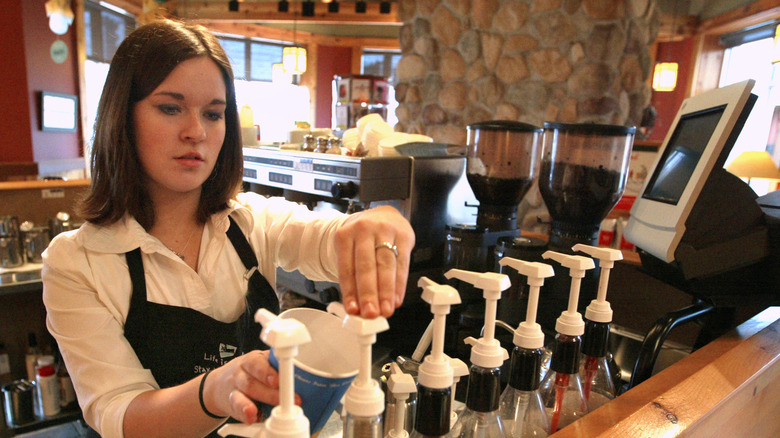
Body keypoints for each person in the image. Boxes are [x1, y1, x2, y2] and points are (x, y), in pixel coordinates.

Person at [42, 19, 414, 438]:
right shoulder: (77, 262)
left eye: (214, 114)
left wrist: (379, 222)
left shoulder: (250, 224)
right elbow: (119, 411)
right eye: (170, 107)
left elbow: (332, 238)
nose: (196, 132)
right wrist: (212, 391)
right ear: (121, 117)